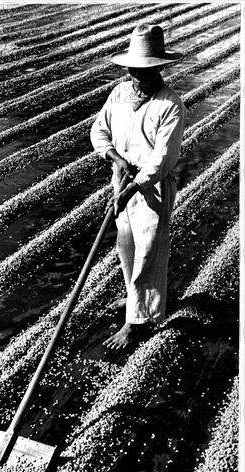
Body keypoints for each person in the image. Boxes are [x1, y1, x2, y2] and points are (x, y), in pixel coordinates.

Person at [90, 23, 187, 349]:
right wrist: (116, 159)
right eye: (134, 69)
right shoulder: (118, 94)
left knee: (148, 253)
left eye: (147, 70)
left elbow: (162, 159)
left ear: (161, 67)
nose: (139, 76)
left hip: (151, 190)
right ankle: (134, 299)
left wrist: (133, 187)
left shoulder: (170, 105)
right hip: (121, 182)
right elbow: (98, 131)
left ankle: (139, 322)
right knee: (126, 248)